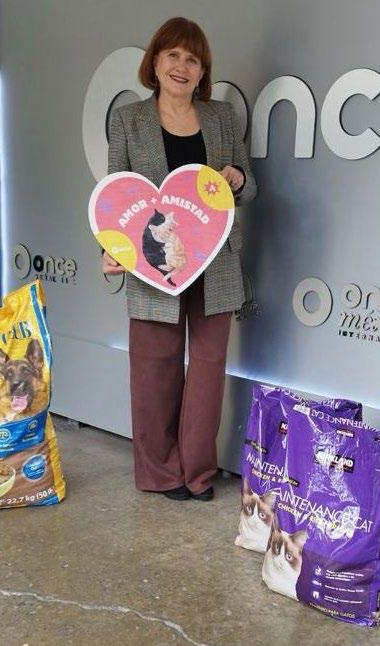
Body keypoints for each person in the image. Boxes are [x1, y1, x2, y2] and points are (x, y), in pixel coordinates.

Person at [102, 17, 257, 501]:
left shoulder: (221, 117)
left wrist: (236, 178)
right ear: (155, 62)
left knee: (208, 371)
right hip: (154, 262)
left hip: (214, 262)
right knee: (154, 370)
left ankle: (197, 473)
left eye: (193, 59)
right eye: (173, 55)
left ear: (202, 71)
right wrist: (111, 247)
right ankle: (160, 473)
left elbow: (249, 186)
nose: (182, 66)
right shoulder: (128, 120)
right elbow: (116, 195)